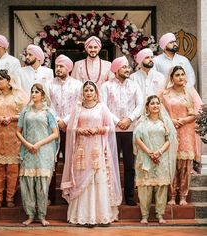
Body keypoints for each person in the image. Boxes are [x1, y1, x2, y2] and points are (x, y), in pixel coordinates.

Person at [61, 81, 122, 226]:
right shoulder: (77, 109)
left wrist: (98, 130)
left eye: (91, 90)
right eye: (86, 90)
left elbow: (110, 128)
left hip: (97, 149)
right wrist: (79, 130)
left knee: (97, 178)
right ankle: (82, 216)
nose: (88, 93)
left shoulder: (102, 108)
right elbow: (70, 129)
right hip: (82, 149)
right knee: (82, 177)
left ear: (96, 93)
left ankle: (100, 216)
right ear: (82, 93)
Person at [101, 56, 143, 206]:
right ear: (116, 69)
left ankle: (129, 196)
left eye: (128, 67)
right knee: (111, 164)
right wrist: (118, 121)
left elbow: (140, 105)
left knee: (130, 164)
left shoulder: (134, 85)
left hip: (131, 129)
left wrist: (129, 119)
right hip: (112, 130)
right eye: (124, 67)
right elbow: (104, 107)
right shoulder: (106, 86)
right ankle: (112, 195)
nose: (127, 69)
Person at [0, 69, 27, 209]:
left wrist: (12, 118)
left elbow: (27, 114)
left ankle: (9, 198)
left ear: (9, 81)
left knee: (13, 169)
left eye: (1, 78)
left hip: (14, 138)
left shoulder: (19, 95)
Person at [16, 83, 59, 226]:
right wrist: (27, 144)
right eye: (32, 91)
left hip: (44, 152)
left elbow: (55, 134)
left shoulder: (48, 112)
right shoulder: (25, 111)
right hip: (28, 151)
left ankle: (41, 216)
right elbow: (18, 131)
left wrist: (39, 144)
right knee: (27, 184)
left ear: (42, 95)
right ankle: (29, 215)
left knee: (42, 185)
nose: (33, 94)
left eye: (36, 92)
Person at [160, 66, 202, 206]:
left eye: (182, 74)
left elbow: (199, 111)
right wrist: (171, 121)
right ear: (171, 77)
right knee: (172, 163)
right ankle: (172, 195)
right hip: (170, 130)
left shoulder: (191, 93)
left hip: (187, 131)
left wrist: (183, 120)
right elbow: (159, 112)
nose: (180, 77)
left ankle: (183, 195)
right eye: (177, 75)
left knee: (185, 165)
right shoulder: (165, 94)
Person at [134, 95, 178, 224]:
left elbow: (169, 139)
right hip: (145, 157)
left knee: (161, 188)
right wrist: (149, 153)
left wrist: (159, 152)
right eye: (152, 103)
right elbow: (137, 139)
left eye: (157, 103)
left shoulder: (164, 122)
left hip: (161, 157)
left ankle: (160, 215)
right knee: (145, 189)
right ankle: (144, 215)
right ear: (147, 106)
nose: (155, 106)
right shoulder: (142, 122)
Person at [48, 54, 82, 204]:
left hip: (71, 128)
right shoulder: (49, 84)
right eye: (57, 66)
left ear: (68, 68)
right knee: (51, 163)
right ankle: (50, 197)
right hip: (53, 129)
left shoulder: (77, 85)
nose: (58, 69)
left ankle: (71, 195)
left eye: (61, 66)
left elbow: (78, 105)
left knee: (72, 162)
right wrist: (57, 120)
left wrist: (66, 121)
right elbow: (47, 105)